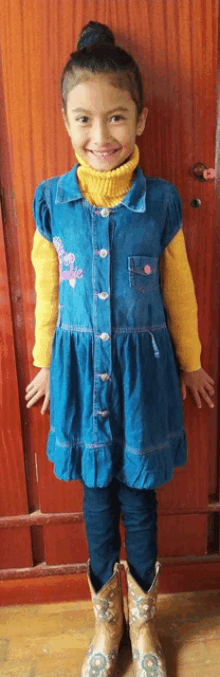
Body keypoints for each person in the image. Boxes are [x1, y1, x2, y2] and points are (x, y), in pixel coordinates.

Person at [25, 20, 215, 677]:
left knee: (140, 496)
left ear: (139, 119)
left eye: (115, 118)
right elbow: (45, 290)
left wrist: (191, 362)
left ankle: (143, 619)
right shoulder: (52, 201)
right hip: (80, 376)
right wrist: (46, 362)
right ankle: (105, 620)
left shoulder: (160, 202)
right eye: (83, 119)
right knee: (95, 497)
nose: (99, 136)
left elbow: (181, 291)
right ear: (65, 120)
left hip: (144, 379)